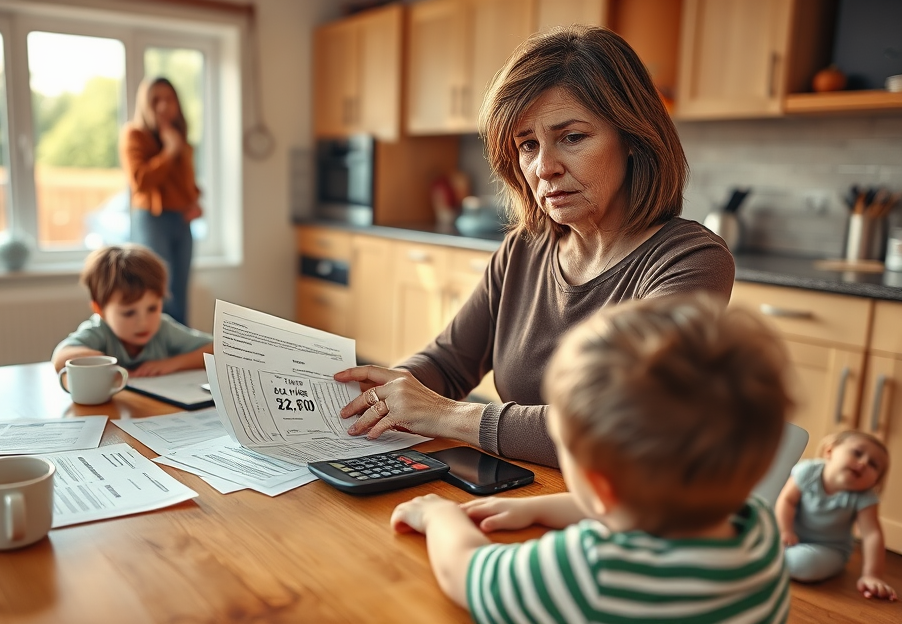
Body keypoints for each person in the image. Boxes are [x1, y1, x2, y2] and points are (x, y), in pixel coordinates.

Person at [336, 25, 735, 467]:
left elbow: (620, 426)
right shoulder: (524, 248)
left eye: (572, 137)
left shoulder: (691, 262)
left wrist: (445, 415)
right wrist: (378, 396)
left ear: (633, 139)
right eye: (528, 144)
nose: (544, 167)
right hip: (521, 486)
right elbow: (449, 363)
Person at [390, 295, 793, 623]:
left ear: (601, 487)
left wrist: (440, 517)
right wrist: (538, 508)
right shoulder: (758, 527)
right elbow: (640, 504)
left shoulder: (594, 570)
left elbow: (465, 571)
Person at [51, 244, 212, 377]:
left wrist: (171, 364)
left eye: (152, 308)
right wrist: (109, 366)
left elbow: (217, 350)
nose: (143, 322)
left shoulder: (163, 328)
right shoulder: (99, 331)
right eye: (128, 313)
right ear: (100, 309)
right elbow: (61, 358)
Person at [776, 430, 897, 601]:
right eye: (857, 453)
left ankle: (770, 560)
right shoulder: (807, 471)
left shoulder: (864, 498)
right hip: (789, 537)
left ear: (875, 481)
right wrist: (785, 530)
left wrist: (872, 575)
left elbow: (872, 535)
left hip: (829, 550)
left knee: (804, 564)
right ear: (830, 451)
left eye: (873, 465)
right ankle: (772, 557)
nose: (863, 463)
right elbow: (787, 501)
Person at [120, 77, 201, 325]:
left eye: (169, 99)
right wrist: (169, 152)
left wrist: (194, 201)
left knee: (181, 291)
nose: (164, 106)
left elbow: (185, 183)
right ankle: (159, 351)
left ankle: (180, 356)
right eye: (156, 100)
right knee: (158, 292)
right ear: (146, 104)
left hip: (181, 221)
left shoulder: (179, 138)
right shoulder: (134, 135)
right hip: (152, 220)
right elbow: (140, 181)